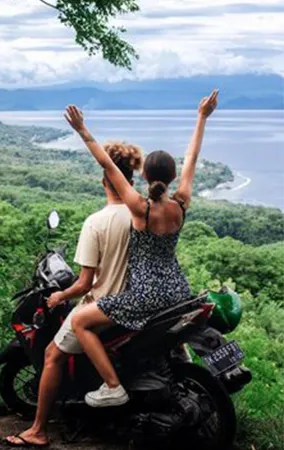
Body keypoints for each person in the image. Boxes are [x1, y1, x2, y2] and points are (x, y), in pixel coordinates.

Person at [64, 90, 218, 409]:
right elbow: (193, 158)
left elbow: (106, 164)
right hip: (179, 290)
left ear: (143, 176)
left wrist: (82, 130)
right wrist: (202, 117)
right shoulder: (180, 204)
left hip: (145, 295)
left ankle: (112, 386)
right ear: (172, 177)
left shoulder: (139, 208)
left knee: (80, 322)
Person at [4, 142, 143, 447]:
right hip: (138, 305)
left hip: (103, 308)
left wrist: (58, 297)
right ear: (131, 180)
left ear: (104, 180)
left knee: (53, 354)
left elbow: (83, 284)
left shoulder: (96, 222)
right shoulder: (142, 212)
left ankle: (38, 431)